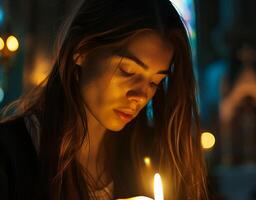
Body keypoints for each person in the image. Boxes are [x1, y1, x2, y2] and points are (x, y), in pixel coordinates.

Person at [0, 0, 208, 199]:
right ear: (81, 50)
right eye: (127, 71)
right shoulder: (11, 155)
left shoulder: (148, 156)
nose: (141, 96)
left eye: (155, 82)